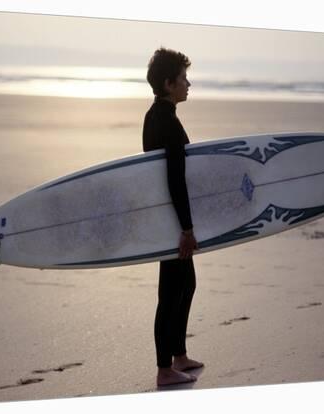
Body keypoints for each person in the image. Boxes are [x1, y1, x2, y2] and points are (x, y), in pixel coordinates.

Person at [142, 47, 204, 386]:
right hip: (171, 218)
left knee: (186, 283)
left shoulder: (158, 115)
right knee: (171, 291)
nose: (188, 84)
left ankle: (178, 355)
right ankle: (164, 368)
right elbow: (174, 177)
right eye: (182, 78)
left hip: (168, 213)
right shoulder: (165, 121)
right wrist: (186, 228)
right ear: (168, 84)